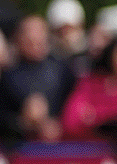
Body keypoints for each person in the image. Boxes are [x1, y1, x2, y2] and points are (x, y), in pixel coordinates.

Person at [0, 14, 76, 144]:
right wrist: (24, 122)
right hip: (21, 148)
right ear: (19, 39)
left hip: (62, 147)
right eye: (29, 36)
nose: (34, 37)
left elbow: (77, 108)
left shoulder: (63, 70)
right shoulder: (7, 75)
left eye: (39, 33)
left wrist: (58, 124)